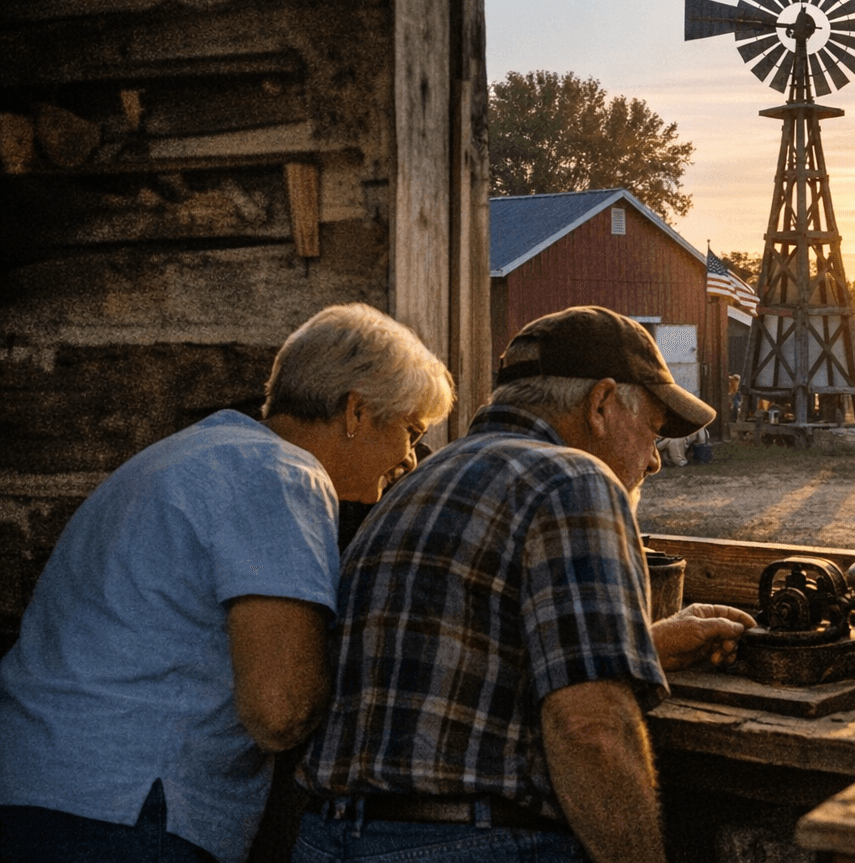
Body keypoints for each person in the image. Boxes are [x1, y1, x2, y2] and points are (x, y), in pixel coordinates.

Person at [294, 305, 755, 863]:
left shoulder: (415, 483)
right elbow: (591, 732)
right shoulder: (574, 479)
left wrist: (643, 647)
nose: (654, 462)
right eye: (653, 431)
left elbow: (458, 662)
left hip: (326, 837)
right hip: (466, 841)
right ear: (602, 404)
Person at [0, 304, 454, 863]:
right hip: (129, 810)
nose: (410, 459)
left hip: (36, 785)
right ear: (356, 411)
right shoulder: (283, 475)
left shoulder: (188, 455)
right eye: (411, 431)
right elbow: (279, 708)